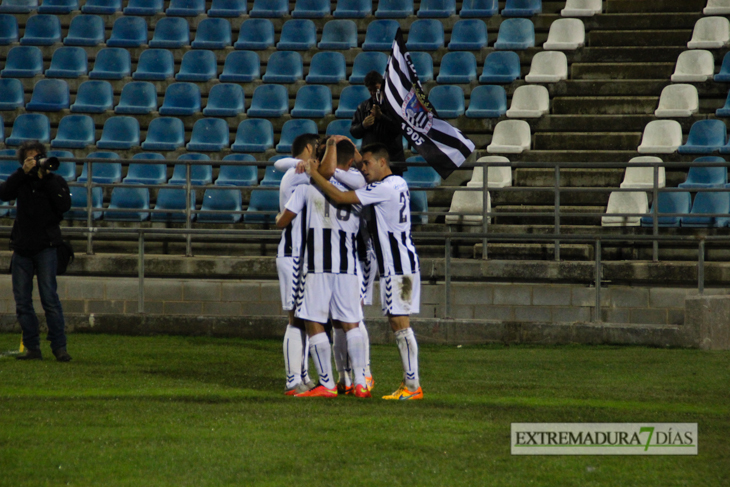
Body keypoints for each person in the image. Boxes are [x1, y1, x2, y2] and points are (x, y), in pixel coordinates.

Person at [306, 143, 423, 400]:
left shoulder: (381, 189)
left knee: (400, 323)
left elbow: (340, 197)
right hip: (406, 262)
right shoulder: (398, 183)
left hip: (396, 266)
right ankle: (410, 383)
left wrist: (314, 174)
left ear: (383, 163)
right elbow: (363, 173)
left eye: (368, 164)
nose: (364, 169)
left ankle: (412, 386)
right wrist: (359, 155)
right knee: (400, 323)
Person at [276, 140, 371, 399]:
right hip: (349, 266)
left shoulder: (307, 187)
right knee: (351, 322)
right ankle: (361, 381)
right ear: (348, 162)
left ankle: (326, 383)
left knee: (312, 321)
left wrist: (311, 170)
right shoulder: (359, 186)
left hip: (318, 266)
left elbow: (282, 220)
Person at [0, 141, 72, 361]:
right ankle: (32, 347)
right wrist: (23, 173)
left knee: (50, 299)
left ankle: (59, 348)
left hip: (47, 247)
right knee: (23, 302)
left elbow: (64, 206)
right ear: (23, 161)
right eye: (31, 157)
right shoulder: (21, 182)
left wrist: (46, 178)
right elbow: (4, 193)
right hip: (22, 248)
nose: (37, 160)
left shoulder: (55, 180)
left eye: (39, 156)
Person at [274, 133, 322, 395]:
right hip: (293, 253)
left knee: (303, 318)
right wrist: (299, 164)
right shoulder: (298, 174)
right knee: (295, 318)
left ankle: (302, 375)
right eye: (318, 148)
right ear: (307, 147)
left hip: (300, 254)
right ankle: (293, 381)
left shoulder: (300, 171)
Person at [350, 71, 405, 172]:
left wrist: (381, 117)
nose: (372, 92)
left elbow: (399, 129)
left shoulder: (395, 106)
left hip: (392, 159)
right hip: (370, 159)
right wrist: (363, 125)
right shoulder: (363, 107)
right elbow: (354, 131)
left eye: (375, 89)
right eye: (370, 90)